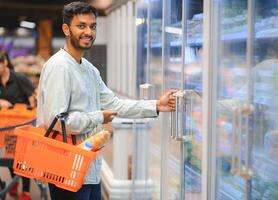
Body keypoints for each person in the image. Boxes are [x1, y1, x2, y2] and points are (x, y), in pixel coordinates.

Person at [36, 2, 176, 200]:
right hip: (66, 169)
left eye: (92, 26)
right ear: (66, 29)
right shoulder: (60, 67)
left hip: (89, 168)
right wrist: (98, 117)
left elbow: (115, 104)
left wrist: (155, 105)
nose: (88, 32)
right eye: (81, 26)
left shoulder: (89, 70)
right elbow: (56, 120)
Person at [0, 51, 35, 200]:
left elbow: (34, 97)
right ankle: (14, 182)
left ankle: (25, 190)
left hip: (23, 126)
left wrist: (31, 107)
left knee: (23, 159)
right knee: (9, 156)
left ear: (5, 63)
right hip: (6, 128)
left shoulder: (19, 79)